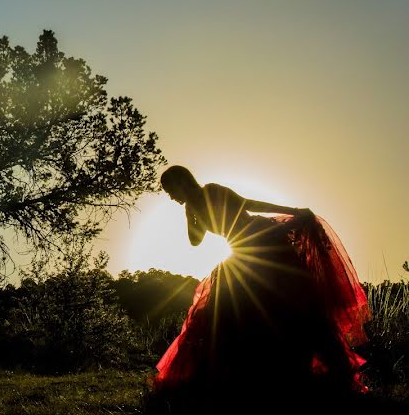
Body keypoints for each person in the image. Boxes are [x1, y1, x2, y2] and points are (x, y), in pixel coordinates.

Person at [154, 165, 370, 401]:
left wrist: (293, 210)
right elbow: (195, 241)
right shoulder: (190, 207)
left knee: (293, 307)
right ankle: (254, 378)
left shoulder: (212, 190)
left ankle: (315, 374)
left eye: (170, 190)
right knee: (232, 312)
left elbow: (249, 204)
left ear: (181, 183)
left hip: (266, 244)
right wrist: (191, 216)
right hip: (241, 251)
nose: (171, 197)